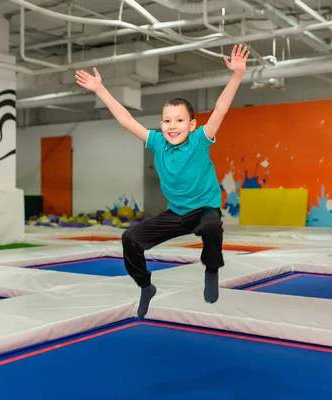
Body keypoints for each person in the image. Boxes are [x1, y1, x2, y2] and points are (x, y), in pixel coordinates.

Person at [75, 44, 250, 318]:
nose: (172, 125)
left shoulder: (199, 141)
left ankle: (212, 270)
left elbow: (221, 109)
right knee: (130, 238)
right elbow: (126, 119)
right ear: (161, 124)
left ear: (192, 125)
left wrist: (237, 74)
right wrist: (100, 89)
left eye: (180, 120)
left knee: (212, 226)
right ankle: (145, 286)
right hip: (175, 213)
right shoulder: (156, 142)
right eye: (167, 120)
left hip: (204, 210)